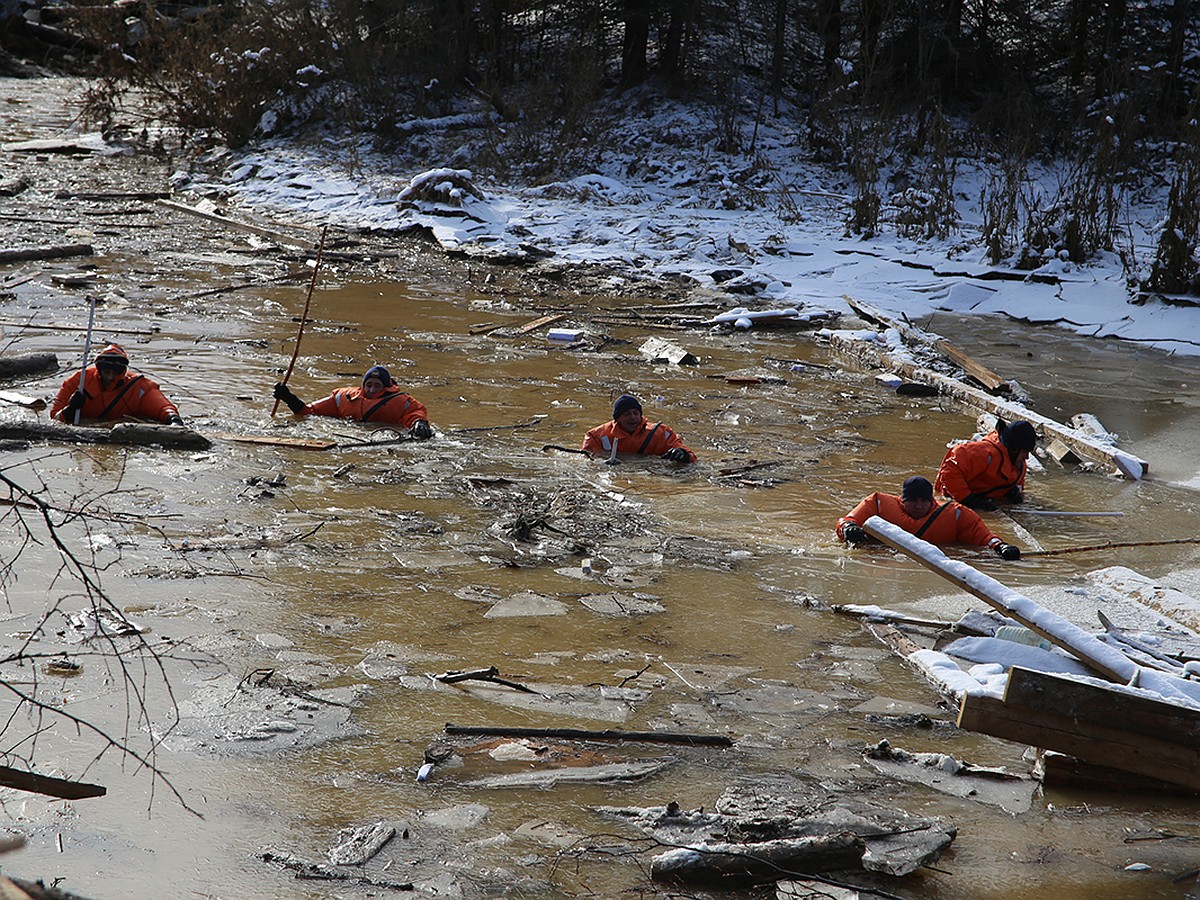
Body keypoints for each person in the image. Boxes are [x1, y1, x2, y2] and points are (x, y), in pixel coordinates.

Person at [837, 475, 1021, 560]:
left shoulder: (955, 514)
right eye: (912, 501)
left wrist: (1001, 546)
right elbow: (846, 521)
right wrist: (848, 529)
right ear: (903, 500)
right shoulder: (877, 504)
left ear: (931, 500)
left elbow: (984, 537)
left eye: (923, 501)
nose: (918, 506)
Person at [273, 365, 432, 438]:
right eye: (368, 385)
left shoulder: (402, 402)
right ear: (363, 386)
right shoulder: (344, 397)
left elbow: (415, 413)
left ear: (386, 387)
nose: (372, 389)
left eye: (377, 386)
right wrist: (288, 397)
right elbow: (308, 412)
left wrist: (420, 423)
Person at [50, 343, 184, 426]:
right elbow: (54, 418)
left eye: (115, 372)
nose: (110, 376)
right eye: (106, 371)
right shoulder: (78, 381)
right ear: (99, 368)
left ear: (123, 371)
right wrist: (71, 409)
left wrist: (174, 420)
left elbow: (164, 408)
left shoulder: (139, 387)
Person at [934, 419, 1038, 510]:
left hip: (984, 500)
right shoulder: (983, 453)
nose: (1027, 457)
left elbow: (1019, 486)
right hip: (953, 498)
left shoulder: (1019, 465)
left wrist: (1013, 493)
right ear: (1013, 449)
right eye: (1024, 452)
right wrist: (968, 499)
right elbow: (949, 472)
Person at [581, 394, 696, 463]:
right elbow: (587, 464)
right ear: (617, 418)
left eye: (636, 413)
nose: (633, 418)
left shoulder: (661, 433)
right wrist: (602, 465)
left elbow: (692, 457)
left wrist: (683, 454)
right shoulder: (596, 437)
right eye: (627, 414)